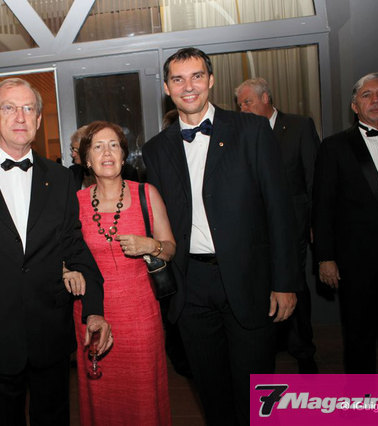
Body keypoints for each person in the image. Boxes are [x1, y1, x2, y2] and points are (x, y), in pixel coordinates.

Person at [0, 77, 113, 425]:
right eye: (9, 108)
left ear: (37, 119)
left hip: (50, 328)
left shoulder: (61, 179)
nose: (19, 117)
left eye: (28, 108)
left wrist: (93, 308)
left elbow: (73, 243)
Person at [142, 47, 299, 426]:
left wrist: (285, 282)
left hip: (249, 281)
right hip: (191, 286)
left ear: (211, 80)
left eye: (197, 76)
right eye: (178, 79)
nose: (188, 86)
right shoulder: (156, 149)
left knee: (256, 394)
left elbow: (279, 210)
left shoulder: (251, 130)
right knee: (212, 394)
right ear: (167, 88)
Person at [73, 120, 174, 425]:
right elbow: (64, 253)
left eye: (114, 145)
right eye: (98, 146)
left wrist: (151, 245)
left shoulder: (146, 194)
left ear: (124, 155)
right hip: (92, 312)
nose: (107, 153)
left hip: (140, 316)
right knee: (100, 395)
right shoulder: (74, 203)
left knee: (143, 396)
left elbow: (170, 248)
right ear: (86, 159)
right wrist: (65, 269)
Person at [313, 72, 378, 373]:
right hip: (358, 261)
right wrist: (325, 257)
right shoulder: (335, 146)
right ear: (354, 106)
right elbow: (322, 206)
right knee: (359, 338)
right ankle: (362, 398)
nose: (375, 100)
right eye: (366, 95)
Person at [235, 77, 320, 373]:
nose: (243, 109)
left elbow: (314, 179)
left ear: (266, 98)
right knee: (261, 285)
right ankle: (268, 346)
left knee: (292, 283)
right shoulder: (241, 134)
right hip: (255, 230)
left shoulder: (298, 126)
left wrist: (315, 223)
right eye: (240, 105)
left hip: (293, 225)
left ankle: (303, 350)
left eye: (247, 102)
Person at [69, 125, 94, 189]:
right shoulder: (73, 172)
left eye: (76, 150)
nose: (73, 155)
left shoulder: (105, 171)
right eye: (72, 149)